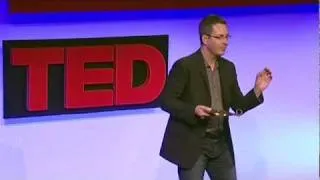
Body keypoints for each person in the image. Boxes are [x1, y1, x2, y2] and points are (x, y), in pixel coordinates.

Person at [159, 15, 272, 180]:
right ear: (205, 38)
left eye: (227, 37)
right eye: (220, 37)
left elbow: (238, 105)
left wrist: (257, 89)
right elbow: (166, 101)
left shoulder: (228, 68)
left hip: (220, 144)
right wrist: (193, 110)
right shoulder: (185, 66)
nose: (225, 42)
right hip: (193, 144)